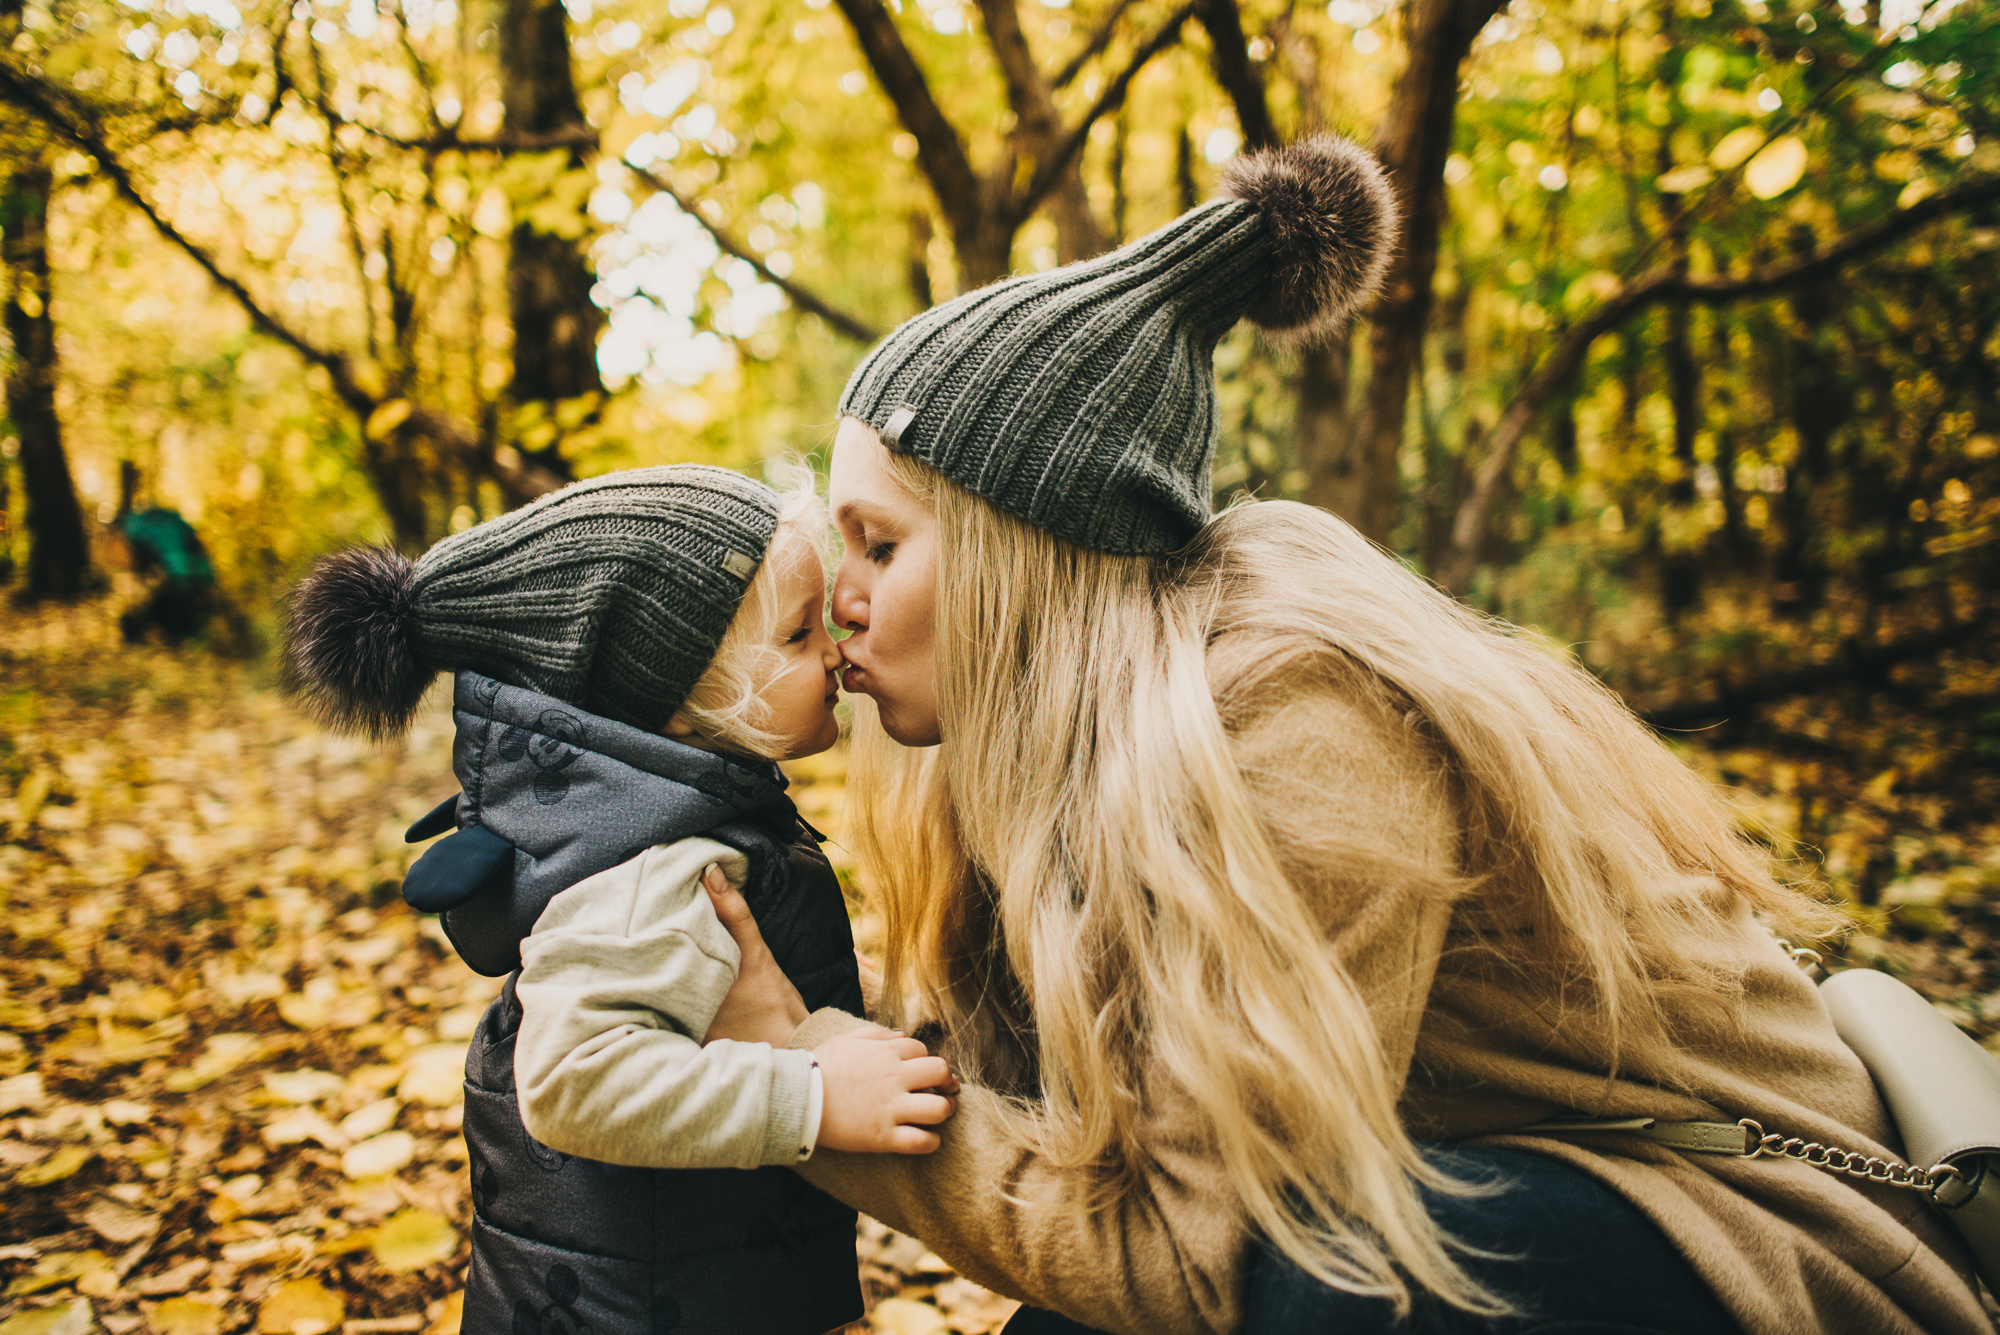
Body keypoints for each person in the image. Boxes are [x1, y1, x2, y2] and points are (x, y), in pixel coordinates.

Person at [699, 137, 1991, 1335]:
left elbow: (1191, 1248)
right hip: (1492, 1182)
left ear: (1027, 559)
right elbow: (1069, 1161)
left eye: (881, 541)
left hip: (1749, 1217)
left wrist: (803, 1093)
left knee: (1320, 1294)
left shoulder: (1284, 726)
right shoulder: (1030, 762)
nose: (839, 589)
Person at [281, 465, 954, 1335]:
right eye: (795, 632)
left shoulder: (688, 823)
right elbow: (572, 1079)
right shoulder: (654, 873)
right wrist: (811, 1093)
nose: (832, 647)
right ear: (675, 699)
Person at [115, 462, 216, 644]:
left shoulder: (141, 526)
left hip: (180, 580)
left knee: (173, 599)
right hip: (186, 578)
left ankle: (177, 631)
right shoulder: (163, 524)